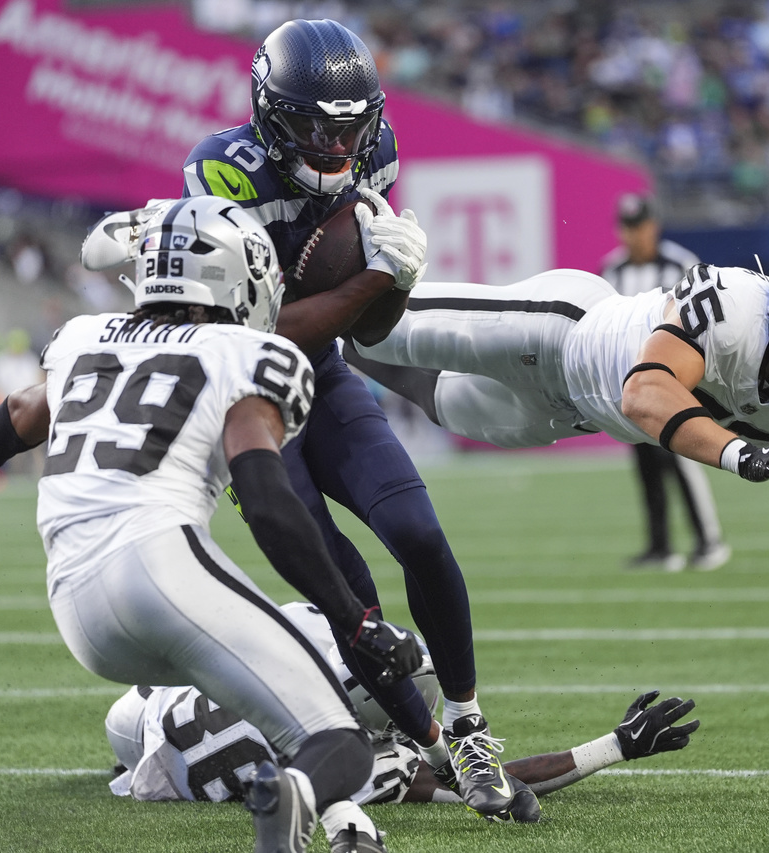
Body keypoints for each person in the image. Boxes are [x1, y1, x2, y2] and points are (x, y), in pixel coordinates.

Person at [0, 197, 426, 853]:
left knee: (288, 711)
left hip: (77, 609)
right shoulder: (243, 351)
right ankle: (296, 798)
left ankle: (350, 829)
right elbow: (267, 502)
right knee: (339, 743)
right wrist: (356, 621)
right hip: (159, 569)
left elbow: (12, 420)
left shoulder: (86, 338)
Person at [346, 232, 769, 693]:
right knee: (387, 323)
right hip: (561, 331)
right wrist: (740, 454)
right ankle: (307, 276)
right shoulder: (735, 309)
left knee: (444, 403)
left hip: (570, 412)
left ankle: (333, 355)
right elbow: (645, 392)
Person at [174, 17, 513, 818]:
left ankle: (469, 725)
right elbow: (257, 329)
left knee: (419, 532)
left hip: (322, 373)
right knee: (344, 586)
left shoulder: (376, 152)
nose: (337, 147)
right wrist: (375, 278)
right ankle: (430, 742)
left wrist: (396, 278)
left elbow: (368, 331)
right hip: (247, 394)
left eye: (351, 129)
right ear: (270, 114)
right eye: (316, 129)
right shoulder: (221, 172)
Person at [104, 603, 699, 832]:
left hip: (145, 709)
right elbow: (488, 783)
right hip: (157, 764)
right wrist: (613, 747)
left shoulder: (301, 639)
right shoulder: (357, 756)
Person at [599, 193, 728, 572]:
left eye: (639, 226)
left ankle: (709, 540)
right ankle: (661, 546)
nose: (634, 235)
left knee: (682, 458)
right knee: (646, 464)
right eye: (627, 227)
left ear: (653, 226)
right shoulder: (611, 270)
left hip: (675, 378)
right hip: (631, 380)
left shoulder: (680, 264)